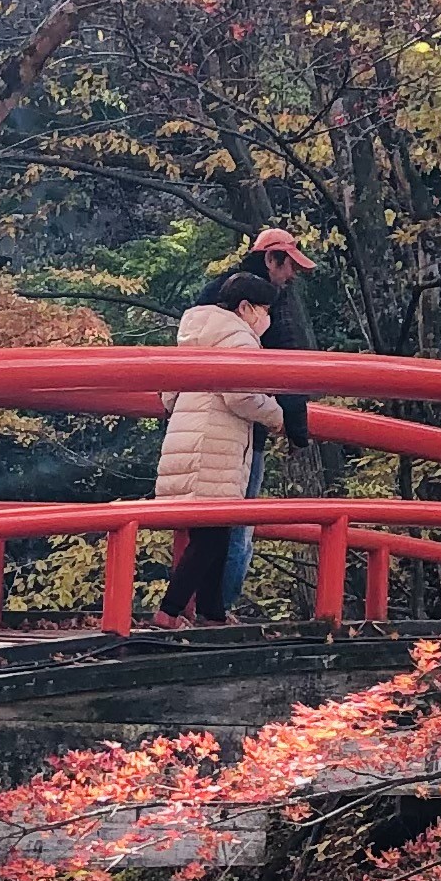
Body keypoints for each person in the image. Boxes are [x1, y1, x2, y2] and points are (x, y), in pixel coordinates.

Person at [155, 265, 284, 621]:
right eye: (264, 310)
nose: (266, 318)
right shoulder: (239, 338)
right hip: (217, 443)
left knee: (215, 532)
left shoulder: (195, 333)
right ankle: (169, 610)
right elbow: (241, 396)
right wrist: (279, 417)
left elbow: (168, 393)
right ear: (245, 308)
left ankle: (211, 611)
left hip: (189, 438)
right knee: (212, 537)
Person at [221, 224, 318, 613]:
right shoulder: (263, 303)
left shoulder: (209, 301)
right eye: (287, 265)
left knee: (201, 522)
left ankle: (190, 608)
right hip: (244, 433)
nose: (291, 275)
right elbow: (287, 368)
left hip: (201, 427)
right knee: (239, 522)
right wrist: (294, 429)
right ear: (270, 259)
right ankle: (218, 609)